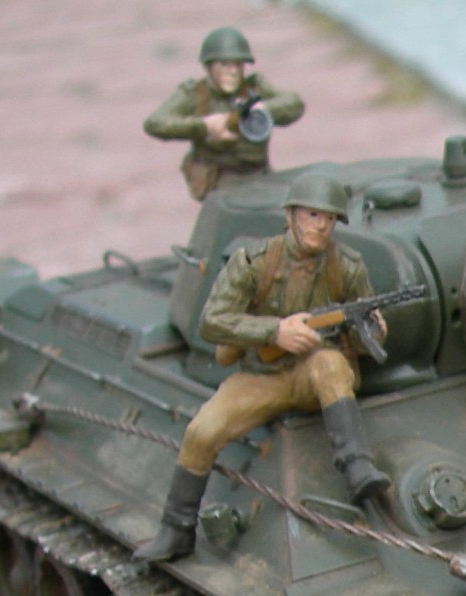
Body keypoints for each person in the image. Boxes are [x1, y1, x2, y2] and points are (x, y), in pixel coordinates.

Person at [139, 172, 389, 563]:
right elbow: (212, 322)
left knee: (331, 363)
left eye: (329, 219)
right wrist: (275, 331)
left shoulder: (347, 267)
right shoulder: (253, 262)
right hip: (262, 377)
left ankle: (357, 467)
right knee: (201, 432)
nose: (320, 226)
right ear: (290, 215)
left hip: (313, 376)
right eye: (312, 215)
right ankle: (176, 528)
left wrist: (371, 329)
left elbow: (360, 338)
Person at [143, 26, 305, 201]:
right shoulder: (194, 93)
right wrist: (204, 126)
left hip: (259, 173)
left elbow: (294, 103)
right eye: (225, 65)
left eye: (238, 65)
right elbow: (155, 122)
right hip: (219, 181)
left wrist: (263, 110)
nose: (233, 71)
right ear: (209, 67)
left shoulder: (254, 88)